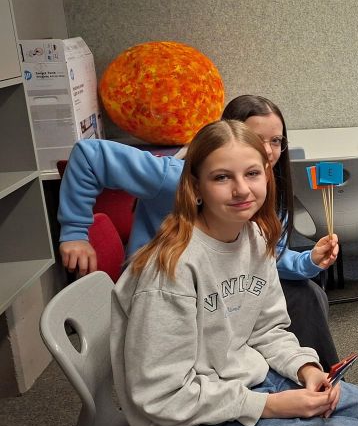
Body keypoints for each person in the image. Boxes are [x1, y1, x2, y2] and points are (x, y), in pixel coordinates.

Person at [110, 119, 358, 426]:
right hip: (185, 424)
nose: (242, 189)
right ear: (196, 187)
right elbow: (161, 397)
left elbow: (266, 328)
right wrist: (272, 406)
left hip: (238, 379)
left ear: (267, 175)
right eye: (222, 177)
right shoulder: (171, 270)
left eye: (252, 173)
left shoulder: (255, 235)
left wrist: (305, 368)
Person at [58, 95, 341, 367]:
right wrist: (74, 231)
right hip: (167, 291)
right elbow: (89, 155)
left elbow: (264, 257)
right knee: (301, 300)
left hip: (224, 285)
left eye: (276, 141)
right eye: (256, 139)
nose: (267, 150)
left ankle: (314, 377)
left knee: (306, 294)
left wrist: (307, 261)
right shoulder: (176, 177)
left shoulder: (261, 192)